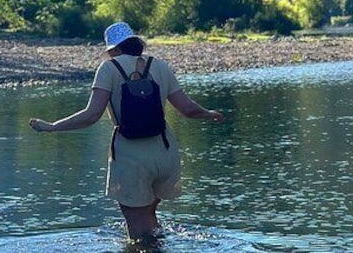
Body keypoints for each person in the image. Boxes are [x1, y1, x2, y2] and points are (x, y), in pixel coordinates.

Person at [29, 21, 224, 242]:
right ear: (135, 42)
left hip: (131, 156)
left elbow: (92, 115)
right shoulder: (160, 66)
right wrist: (209, 113)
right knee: (148, 214)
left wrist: (53, 127)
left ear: (113, 49)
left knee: (135, 225)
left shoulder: (108, 69)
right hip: (165, 152)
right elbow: (188, 109)